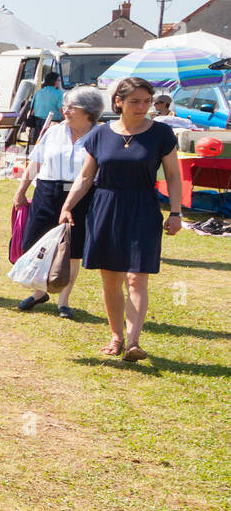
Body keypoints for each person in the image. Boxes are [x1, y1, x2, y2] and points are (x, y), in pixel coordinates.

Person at [59, 77, 183, 361]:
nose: (142, 107)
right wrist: (67, 206)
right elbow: (87, 176)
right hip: (106, 206)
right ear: (119, 102)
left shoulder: (161, 133)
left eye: (147, 102)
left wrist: (176, 213)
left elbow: (174, 176)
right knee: (111, 279)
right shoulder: (101, 134)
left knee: (137, 278)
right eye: (135, 102)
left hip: (143, 207)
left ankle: (134, 342)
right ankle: (116, 336)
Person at [12, 87, 103, 319]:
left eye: (73, 107)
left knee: (71, 250)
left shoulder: (100, 136)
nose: (66, 110)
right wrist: (21, 190)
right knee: (36, 242)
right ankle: (40, 291)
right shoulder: (53, 132)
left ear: (89, 112)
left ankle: (64, 301)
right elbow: (35, 162)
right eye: (66, 106)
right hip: (47, 191)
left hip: (80, 195)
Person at [27, 72, 64, 144]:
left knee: (37, 144)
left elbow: (32, 109)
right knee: (51, 145)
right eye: (58, 80)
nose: (59, 82)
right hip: (53, 123)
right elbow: (61, 109)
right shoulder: (59, 93)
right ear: (54, 81)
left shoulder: (38, 92)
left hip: (37, 122)